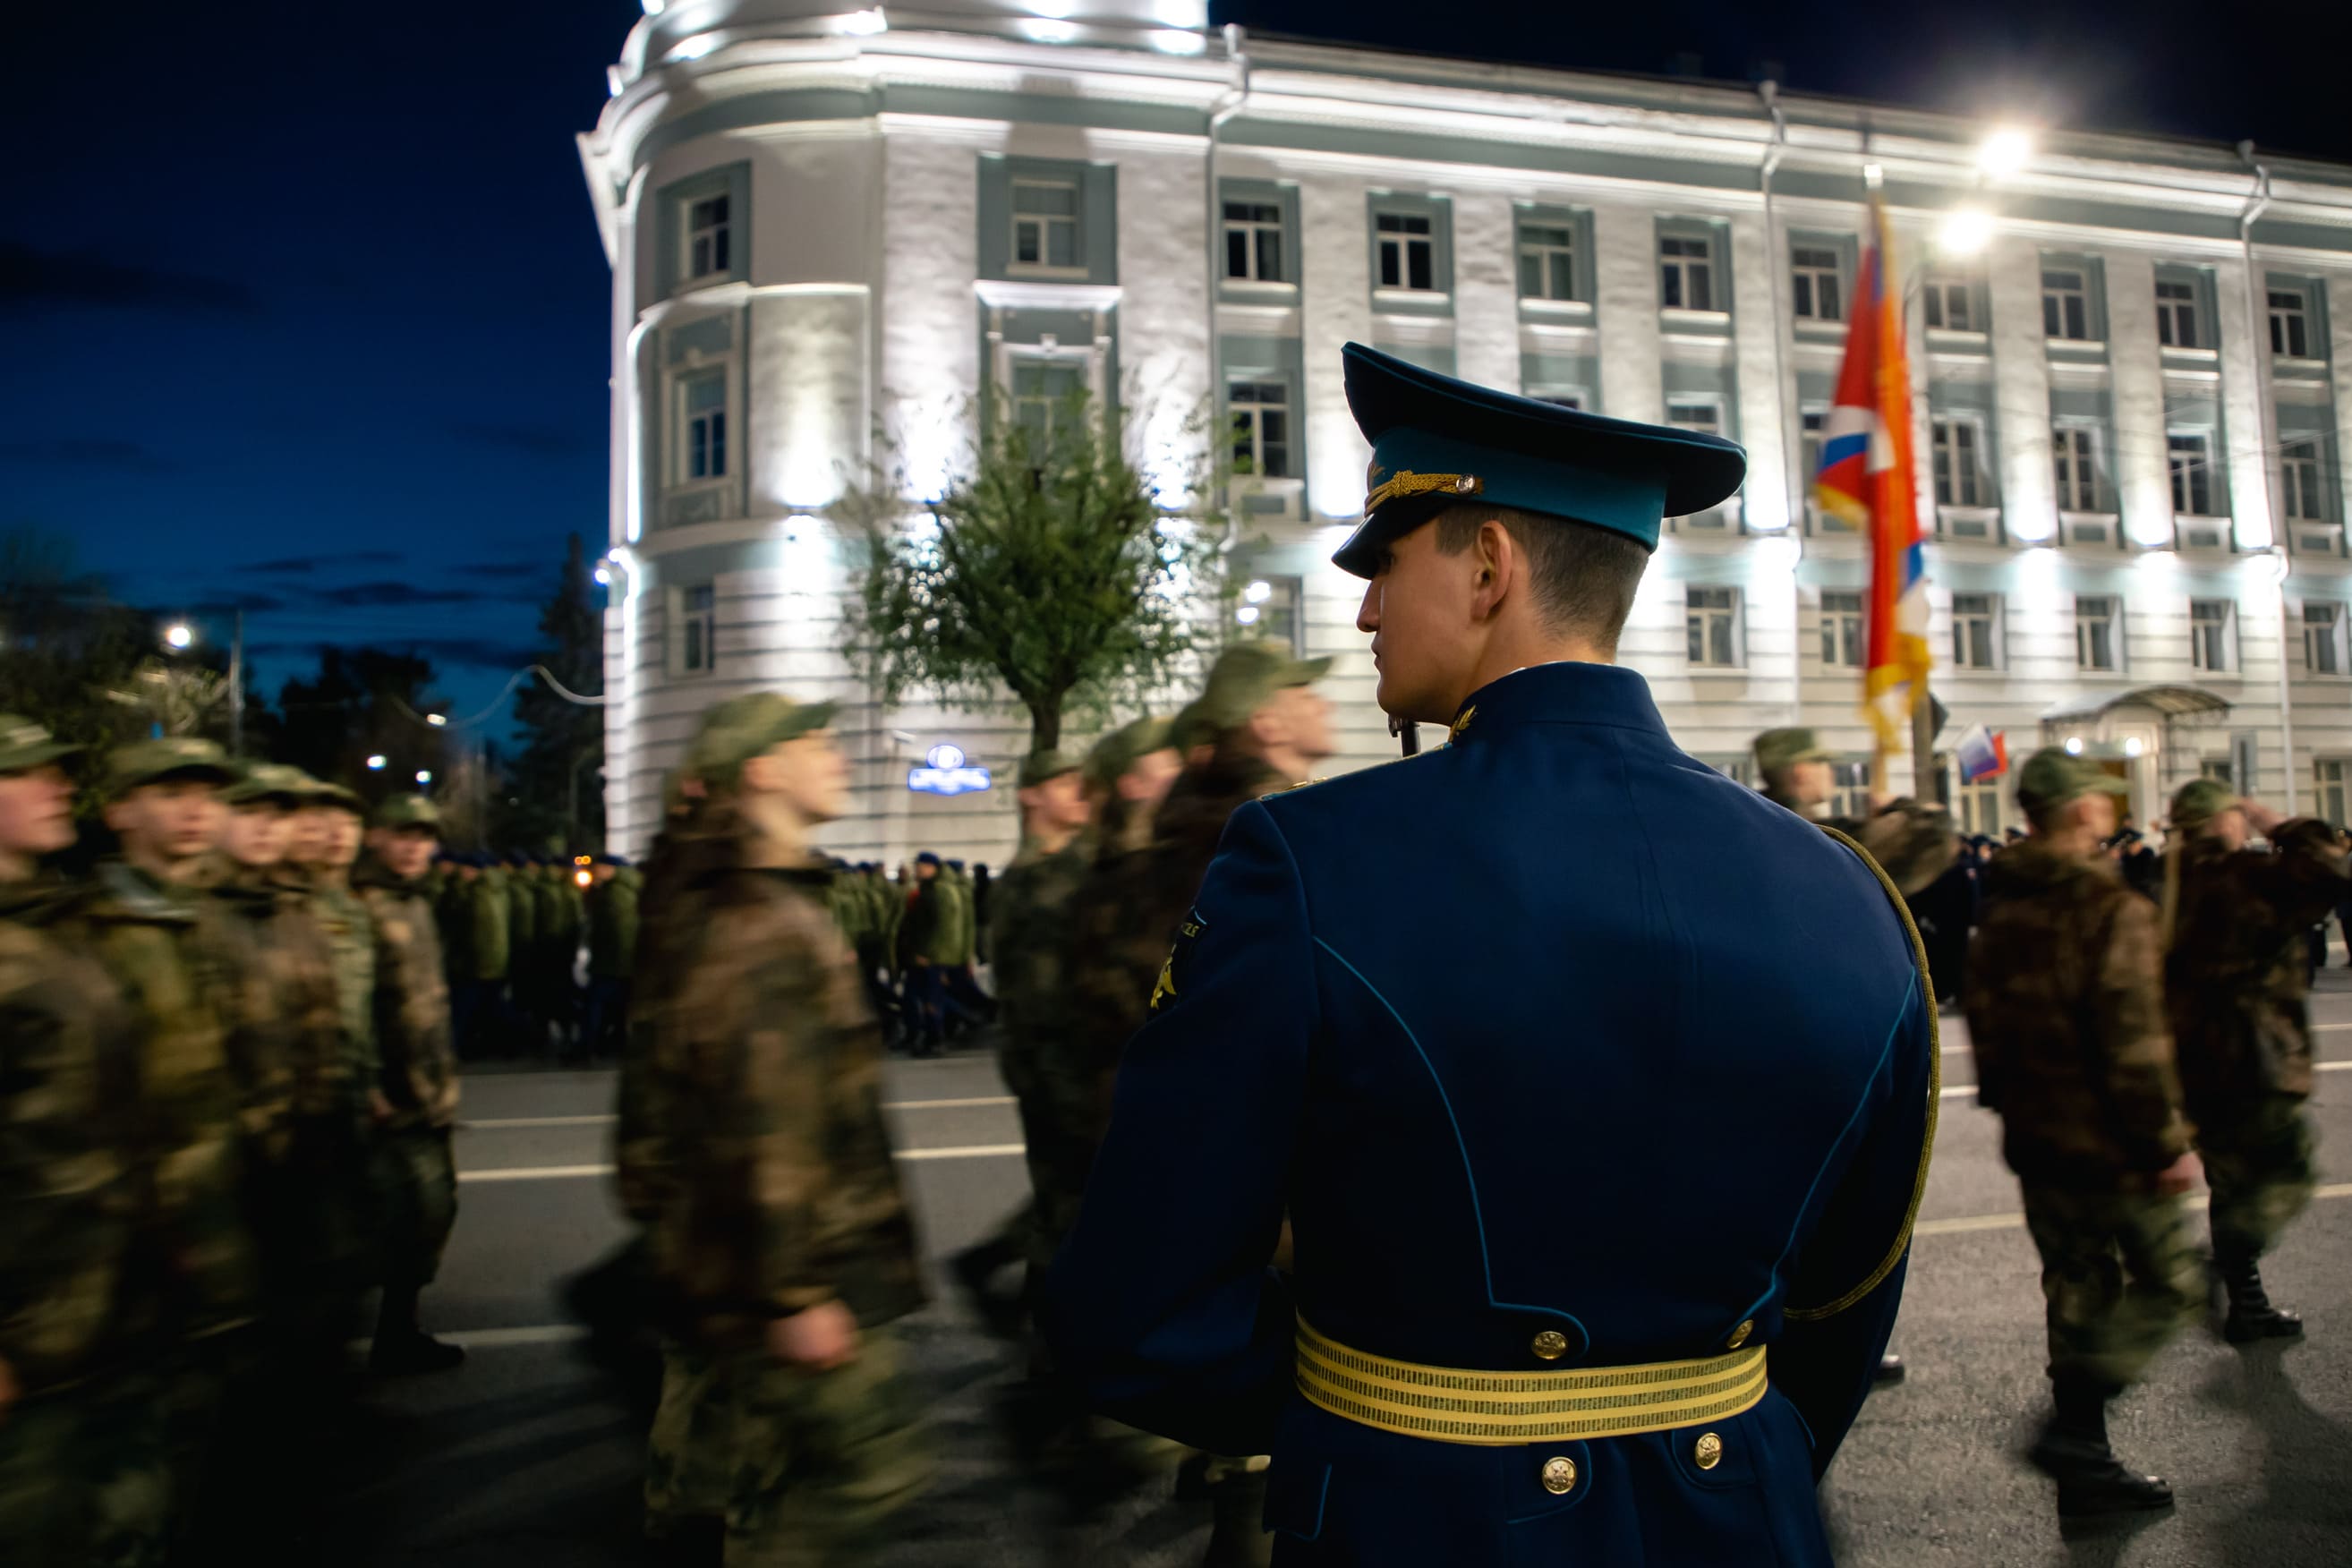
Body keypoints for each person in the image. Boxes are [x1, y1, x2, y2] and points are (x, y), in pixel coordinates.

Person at [1046, 345, 1932, 1567]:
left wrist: (1375, 1423)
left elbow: (1134, 1316)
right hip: (1747, 1517)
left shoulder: (1307, 861)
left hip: (1417, 1522)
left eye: (1382, 562)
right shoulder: (1852, 891)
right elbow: (1842, 1308)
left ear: (1486, 567)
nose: (1360, 608)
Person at [618, 692, 927, 1566]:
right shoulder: (757, 922)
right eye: (814, 742)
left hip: (766, 1261)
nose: (835, 755)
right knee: (854, 1476)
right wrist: (795, 1292)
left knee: (766, 1469)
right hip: (796, 1270)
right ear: (761, 771)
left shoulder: (762, 901)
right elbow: (764, 1121)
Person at [1964, 748, 2203, 1518]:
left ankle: (2086, 1466)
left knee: (2077, 1291)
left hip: (2041, 1139)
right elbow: (2133, 1042)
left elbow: (1987, 1028)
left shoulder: (2002, 907)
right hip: (2111, 1143)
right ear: (2080, 813)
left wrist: (2016, 1106)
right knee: (2175, 1284)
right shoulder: (2109, 909)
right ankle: (2071, 1436)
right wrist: (2165, 1142)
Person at [76, 737, 257, 1550]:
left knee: (202, 1465)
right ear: (119, 810)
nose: (195, 809)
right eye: (169, 790)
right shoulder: (85, 933)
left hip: (217, 1244)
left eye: (208, 794)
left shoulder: (213, 922)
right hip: (121, 1267)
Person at [0, 717, 173, 1567]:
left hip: (103, 1314)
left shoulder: (55, 923)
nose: (59, 785)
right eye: (26, 773)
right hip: (28, 1349)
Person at [2160, 778, 2350, 1342]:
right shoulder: (2242, 880)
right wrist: (2276, 821)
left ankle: (2245, 1301)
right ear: (2222, 821)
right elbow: (2333, 870)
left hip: (2198, 1064)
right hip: (2253, 1064)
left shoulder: (2174, 879)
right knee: (2287, 1175)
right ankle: (2221, 1269)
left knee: (2234, 1183)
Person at [950, 746, 1091, 1339]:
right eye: (1061, 783)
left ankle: (1044, 1332)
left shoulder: (1075, 867)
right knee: (1070, 1200)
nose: (1076, 790)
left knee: (1068, 1204)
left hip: (1067, 1067)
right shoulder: (1027, 883)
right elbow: (1034, 1001)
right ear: (1030, 796)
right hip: (1052, 1071)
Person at [354, 794, 465, 1375]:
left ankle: (400, 1328)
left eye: (423, 836)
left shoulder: (416, 902)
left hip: (428, 1093)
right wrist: (370, 1082)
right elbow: (356, 999)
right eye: (402, 834)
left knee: (432, 1213)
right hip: (391, 1100)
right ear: (376, 837)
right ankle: (380, 1339)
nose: (413, 846)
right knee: (393, 1218)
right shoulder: (363, 904)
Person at [896, 852, 958, 1056]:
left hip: (930, 957)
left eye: (921, 866)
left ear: (932, 868)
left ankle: (935, 1040)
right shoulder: (926, 890)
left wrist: (928, 954)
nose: (918, 870)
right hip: (919, 955)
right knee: (914, 998)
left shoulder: (938, 892)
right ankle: (922, 1037)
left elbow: (941, 927)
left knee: (932, 1001)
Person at [584, 854, 639, 1061]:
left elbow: (618, 931)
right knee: (616, 1008)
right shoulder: (615, 890)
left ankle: (588, 1046)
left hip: (612, 963)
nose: (594, 872)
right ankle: (613, 1044)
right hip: (618, 962)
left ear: (608, 869)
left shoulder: (615, 895)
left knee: (596, 1004)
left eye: (597, 867)